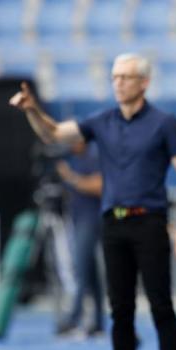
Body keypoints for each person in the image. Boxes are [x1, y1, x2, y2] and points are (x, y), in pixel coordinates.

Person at [9, 53, 176, 350]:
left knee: (161, 305)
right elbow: (53, 134)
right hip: (113, 223)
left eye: (125, 77)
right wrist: (32, 110)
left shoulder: (165, 123)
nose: (118, 83)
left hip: (149, 221)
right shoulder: (102, 121)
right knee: (120, 310)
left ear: (144, 83)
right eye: (114, 77)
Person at [55, 144, 105, 337]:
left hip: (91, 220)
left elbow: (101, 184)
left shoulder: (94, 156)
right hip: (78, 219)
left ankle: (74, 317)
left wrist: (71, 178)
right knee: (90, 274)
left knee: (81, 268)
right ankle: (98, 321)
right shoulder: (73, 158)